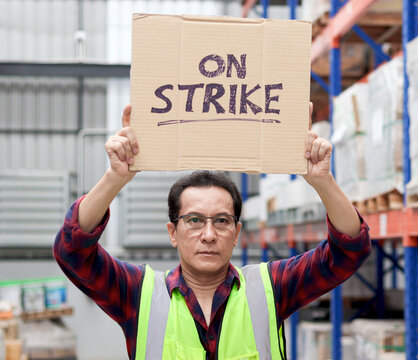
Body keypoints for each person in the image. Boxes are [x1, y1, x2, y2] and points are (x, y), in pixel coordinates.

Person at [53, 104, 371, 360]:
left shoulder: (270, 289)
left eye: (221, 221)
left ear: (236, 233)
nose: (208, 235)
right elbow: (72, 252)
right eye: (193, 220)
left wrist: (322, 181)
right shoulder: (139, 294)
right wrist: (114, 178)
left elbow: (348, 252)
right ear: (172, 232)